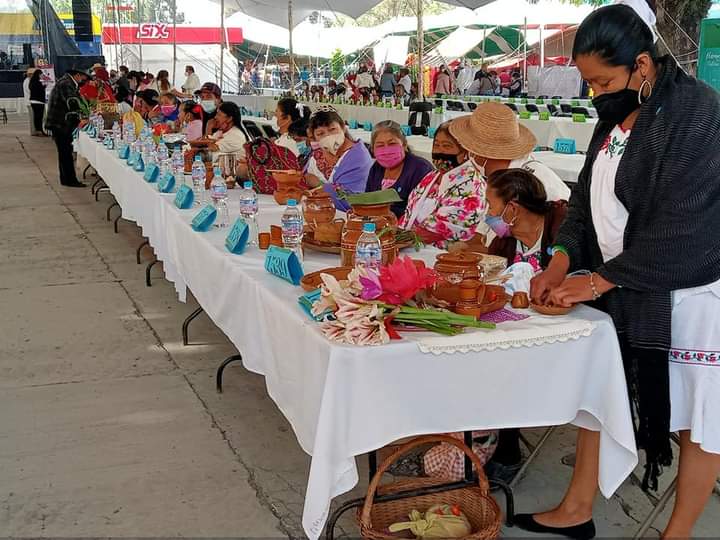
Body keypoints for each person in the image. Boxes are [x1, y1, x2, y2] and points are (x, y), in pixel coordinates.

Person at [520, 4, 720, 539]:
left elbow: (685, 225)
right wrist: (561, 259)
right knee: (601, 389)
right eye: (587, 83)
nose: (594, 94)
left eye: (602, 80)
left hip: (689, 293)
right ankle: (577, 507)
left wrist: (599, 279)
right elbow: (585, 200)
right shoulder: (613, 115)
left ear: (642, 64)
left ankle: (674, 534)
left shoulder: (697, 113)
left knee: (697, 422)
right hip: (623, 282)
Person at [401, 103, 569, 248]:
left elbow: (554, 244)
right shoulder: (493, 179)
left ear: (478, 153)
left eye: (469, 149)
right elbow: (483, 236)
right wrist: (463, 251)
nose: (467, 155)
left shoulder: (536, 183)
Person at [306, 107, 373, 210]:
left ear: (343, 128)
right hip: (318, 211)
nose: (328, 136)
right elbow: (305, 179)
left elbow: (353, 197)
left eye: (332, 129)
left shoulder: (358, 157)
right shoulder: (317, 155)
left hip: (353, 216)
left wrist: (320, 186)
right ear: (314, 137)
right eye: (320, 134)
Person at [366, 120, 433, 217]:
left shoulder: (420, 169)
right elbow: (367, 200)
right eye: (380, 145)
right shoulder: (376, 168)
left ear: (404, 144)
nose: (386, 150)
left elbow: (421, 212)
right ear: (373, 149)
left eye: (392, 144)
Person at [45, 68, 90, 187]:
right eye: (84, 77)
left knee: (64, 153)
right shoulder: (66, 84)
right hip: (60, 123)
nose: (84, 80)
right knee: (65, 152)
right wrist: (82, 116)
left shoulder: (66, 82)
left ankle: (66, 179)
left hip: (60, 122)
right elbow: (72, 102)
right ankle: (70, 180)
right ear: (78, 75)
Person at [28, 69, 46, 137]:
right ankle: (39, 130)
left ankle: (39, 130)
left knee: (37, 117)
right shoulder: (37, 82)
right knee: (39, 117)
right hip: (38, 102)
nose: (42, 76)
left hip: (34, 101)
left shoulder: (32, 81)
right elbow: (39, 90)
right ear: (38, 75)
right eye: (41, 74)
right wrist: (44, 86)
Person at [23, 68, 39, 136]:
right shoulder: (28, 81)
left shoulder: (29, 80)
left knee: (34, 117)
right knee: (32, 118)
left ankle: (35, 130)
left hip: (32, 101)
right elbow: (31, 91)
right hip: (31, 102)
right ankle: (33, 131)